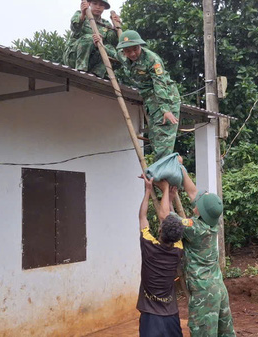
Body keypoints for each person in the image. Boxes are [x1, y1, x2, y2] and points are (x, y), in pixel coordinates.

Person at [155, 162, 236, 337]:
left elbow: (165, 217)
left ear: (201, 211)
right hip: (218, 289)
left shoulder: (195, 228)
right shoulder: (210, 224)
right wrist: (180, 167)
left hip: (203, 294)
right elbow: (193, 192)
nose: (196, 200)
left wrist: (165, 190)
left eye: (199, 202)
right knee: (225, 334)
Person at [96, 30, 181, 161]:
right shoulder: (124, 57)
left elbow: (160, 84)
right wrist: (100, 43)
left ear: (140, 46)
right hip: (150, 101)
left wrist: (166, 110)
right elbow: (112, 52)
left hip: (166, 99)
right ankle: (165, 174)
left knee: (164, 141)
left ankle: (163, 177)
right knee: (155, 140)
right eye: (128, 51)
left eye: (135, 49)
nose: (132, 54)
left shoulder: (152, 59)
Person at [137, 175, 185, 337]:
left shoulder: (148, 244)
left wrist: (148, 190)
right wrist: (170, 200)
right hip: (171, 314)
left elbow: (142, 217)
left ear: (159, 231)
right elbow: (171, 219)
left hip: (150, 315)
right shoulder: (178, 250)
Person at [63, 0, 120, 78]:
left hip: (92, 59)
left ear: (104, 7)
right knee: (90, 38)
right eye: (95, 3)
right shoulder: (80, 14)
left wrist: (116, 26)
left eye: (101, 5)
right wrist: (83, 14)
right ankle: (81, 71)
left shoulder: (106, 24)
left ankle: (95, 75)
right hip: (74, 56)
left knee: (114, 51)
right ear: (89, 4)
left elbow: (112, 42)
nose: (98, 7)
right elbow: (75, 27)